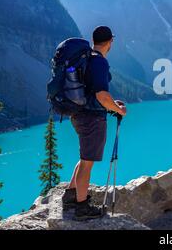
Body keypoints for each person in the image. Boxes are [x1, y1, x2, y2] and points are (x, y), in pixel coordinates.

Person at [61, 26, 127, 221]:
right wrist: (118, 109)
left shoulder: (87, 58)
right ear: (109, 42)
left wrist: (112, 104)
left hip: (78, 114)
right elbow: (101, 96)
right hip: (91, 119)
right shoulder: (99, 62)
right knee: (87, 163)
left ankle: (71, 195)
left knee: (84, 158)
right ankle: (82, 207)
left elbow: (92, 94)